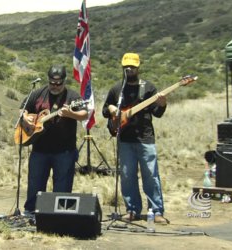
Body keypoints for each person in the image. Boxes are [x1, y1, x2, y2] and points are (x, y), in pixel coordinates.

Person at [102, 52, 168, 224]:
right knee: (127, 175)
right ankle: (132, 210)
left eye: (132, 66)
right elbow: (104, 110)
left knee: (150, 175)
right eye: (126, 67)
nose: (129, 69)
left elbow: (157, 113)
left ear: (139, 67)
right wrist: (111, 109)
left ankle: (156, 211)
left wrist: (162, 104)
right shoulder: (118, 89)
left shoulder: (148, 88)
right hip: (125, 139)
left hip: (145, 138)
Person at [19, 65, 88, 215]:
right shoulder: (38, 93)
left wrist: (70, 114)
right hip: (40, 150)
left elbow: (84, 114)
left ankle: (59, 215)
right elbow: (23, 108)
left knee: (62, 186)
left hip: (64, 151)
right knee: (35, 184)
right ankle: (31, 211)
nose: (55, 86)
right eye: (52, 83)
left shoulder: (72, 96)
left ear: (64, 81)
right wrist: (25, 120)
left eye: (59, 84)